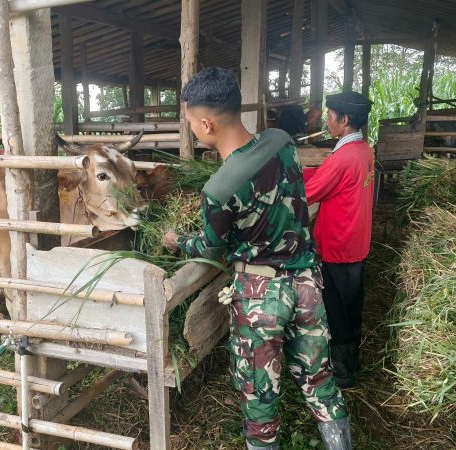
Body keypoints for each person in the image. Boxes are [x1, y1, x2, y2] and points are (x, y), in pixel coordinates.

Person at [162, 67, 352, 450]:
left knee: (261, 398)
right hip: (307, 284)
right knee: (320, 381)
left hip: (260, 298)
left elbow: (211, 247)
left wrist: (176, 239)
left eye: (191, 124)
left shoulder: (219, 188)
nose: (193, 131)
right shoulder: (282, 141)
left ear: (206, 123)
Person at [303, 91, 374, 388]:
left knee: (338, 310)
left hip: (338, 245)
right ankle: (350, 360)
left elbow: (309, 192)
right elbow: (325, 176)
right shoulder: (363, 150)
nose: (327, 122)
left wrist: (281, 179)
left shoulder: (343, 157)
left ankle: (343, 372)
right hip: (355, 241)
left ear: (344, 120)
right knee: (350, 305)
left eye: (330, 116)